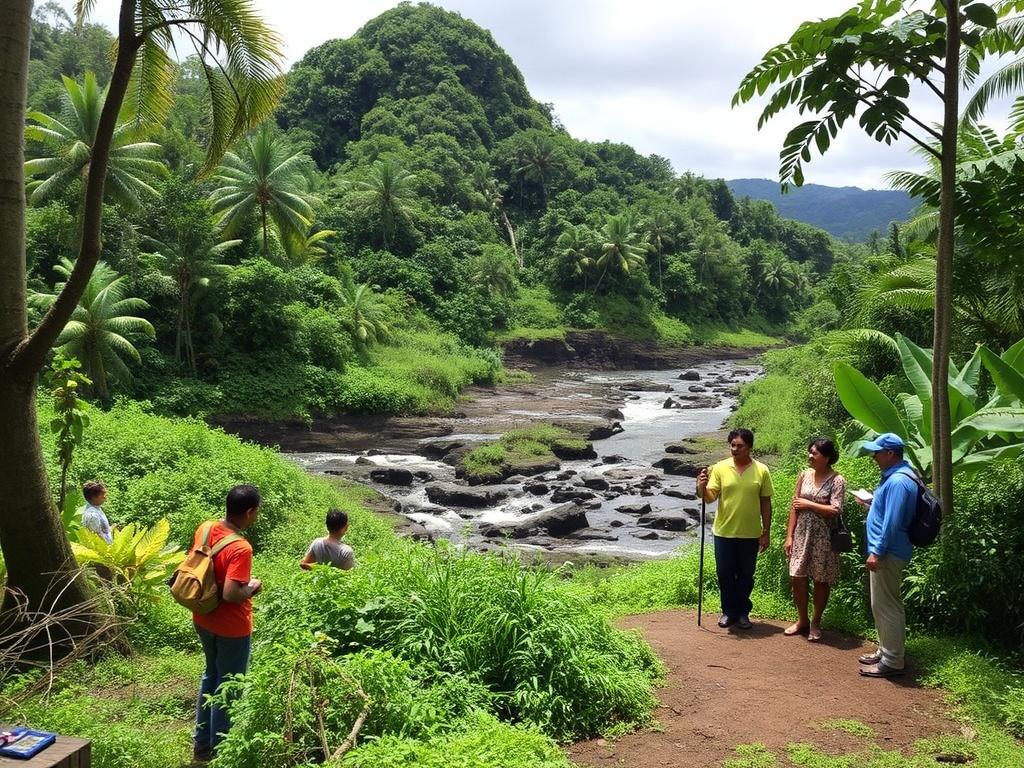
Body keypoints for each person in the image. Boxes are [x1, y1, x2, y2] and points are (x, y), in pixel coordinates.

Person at [192, 485, 263, 763]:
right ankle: (221, 751)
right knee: (228, 686)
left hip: (203, 615)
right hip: (232, 627)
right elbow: (232, 593)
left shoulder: (206, 528)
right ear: (249, 512)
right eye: (256, 511)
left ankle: (201, 746)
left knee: (210, 675)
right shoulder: (240, 547)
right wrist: (253, 586)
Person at [854, 433, 918, 678]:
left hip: (889, 552)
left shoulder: (899, 482)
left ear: (890, 453)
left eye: (877, 453)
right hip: (888, 550)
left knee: (887, 605)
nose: (873, 457)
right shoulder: (896, 477)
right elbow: (889, 512)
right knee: (880, 604)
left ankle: (892, 661)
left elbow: (893, 522)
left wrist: (877, 551)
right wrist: (872, 505)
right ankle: (886, 650)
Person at [696, 428, 774, 630]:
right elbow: (710, 497)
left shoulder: (761, 470)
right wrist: (700, 487)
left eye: (740, 446)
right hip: (724, 531)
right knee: (725, 573)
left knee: (747, 574)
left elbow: (765, 501)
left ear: (749, 447)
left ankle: (743, 612)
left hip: (750, 532)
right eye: (732, 445)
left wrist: (766, 531)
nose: (735, 449)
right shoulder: (721, 468)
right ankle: (728, 611)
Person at [784, 438, 846, 642]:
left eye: (815, 453)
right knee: (797, 577)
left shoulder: (837, 480)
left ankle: (816, 622)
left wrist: (809, 504)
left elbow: (835, 510)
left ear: (827, 457)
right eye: (809, 452)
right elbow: (794, 506)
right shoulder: (804, 475)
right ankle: (802, 619)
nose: (810, 456)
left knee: (820, 579)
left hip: (823, 537)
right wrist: (789, 536)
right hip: (802, 534)